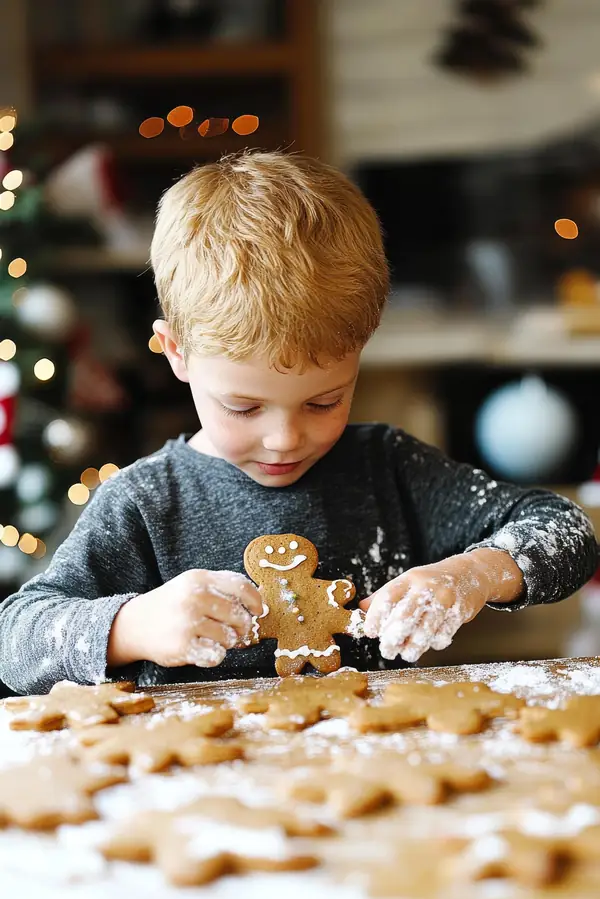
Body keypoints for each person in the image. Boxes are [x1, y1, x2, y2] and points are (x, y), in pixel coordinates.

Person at [0, 150, 596, 695]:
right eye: (244, 407)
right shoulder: (146, 504)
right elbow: (16, 640)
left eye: (324, 401)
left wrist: (475, 572)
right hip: (203, 792)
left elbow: (566, 533)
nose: (286, 438)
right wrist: (129, 626)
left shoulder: (389, 471)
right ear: (176, 351)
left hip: (373, 771)